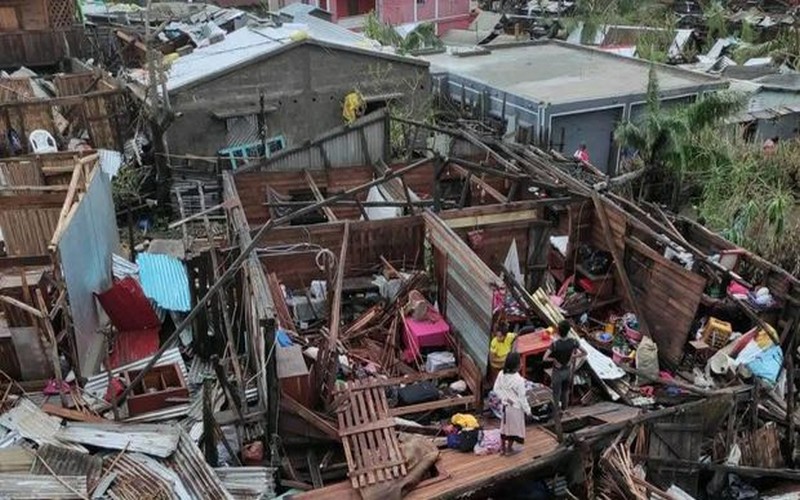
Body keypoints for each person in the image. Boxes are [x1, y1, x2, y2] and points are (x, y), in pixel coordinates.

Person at [543, 320, 587, 410]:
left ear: (559, 331)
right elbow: (585, 352)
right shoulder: (573, 342)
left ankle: (556, 411)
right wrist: (573, 356)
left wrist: (554, 359)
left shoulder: (555, 345)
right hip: (567, 371)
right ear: (568, 331)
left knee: (556, 393)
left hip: (557, 372)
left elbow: (544, 358)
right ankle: (564, 410)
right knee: (565, 392)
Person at [493, 352, 531, 455]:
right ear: (516, 366)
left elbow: (496, 389)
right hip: (516, 408)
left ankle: (502, 449)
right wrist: (528, 411)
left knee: (504, 428)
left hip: (505, 406)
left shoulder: (501, 374)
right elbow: (522, 398)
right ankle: (509, 449)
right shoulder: (519, 380)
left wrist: (504, 398)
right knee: (513, 430)